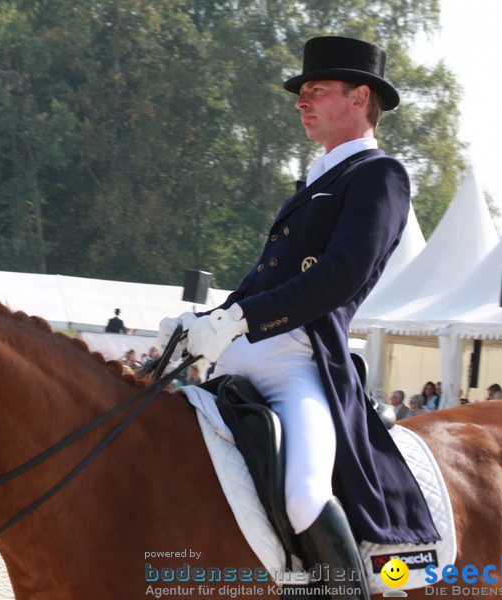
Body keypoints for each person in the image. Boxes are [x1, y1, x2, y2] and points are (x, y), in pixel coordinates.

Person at [158, 35, 437, 597]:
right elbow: (265, 280)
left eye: (315, 91)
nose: (300, 101)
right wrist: (206, 321)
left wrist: (240, 319)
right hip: (242, 356)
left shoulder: (379, 177)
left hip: (297, 362)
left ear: (360, 98)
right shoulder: (317, 180)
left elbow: (337, 279)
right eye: (301, 92)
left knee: (305, 495)